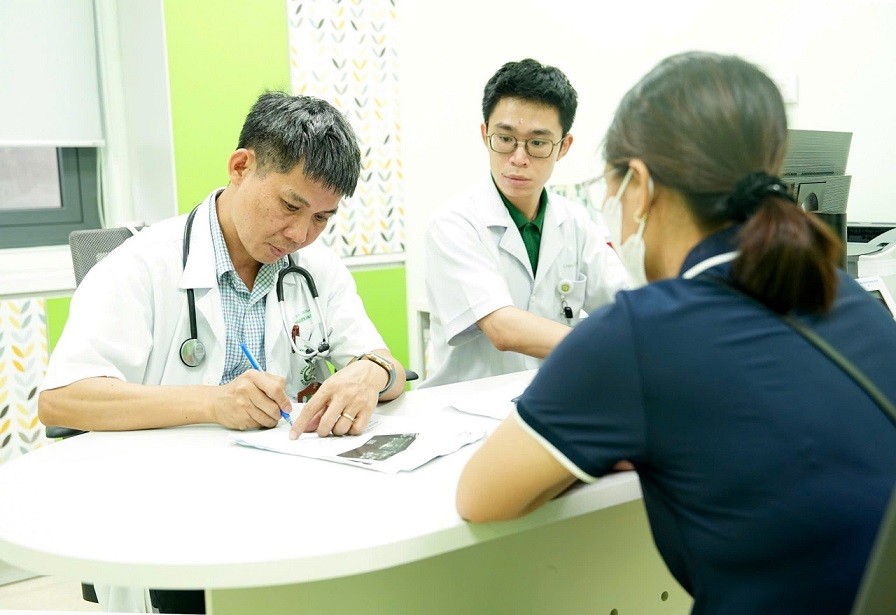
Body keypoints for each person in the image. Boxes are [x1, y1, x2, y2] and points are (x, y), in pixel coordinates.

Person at [456, 51, 896, 614]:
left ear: (638, 184)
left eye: (611, 187)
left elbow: (480, 495)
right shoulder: (847, 295)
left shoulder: (639, 334)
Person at [38, 92, 406, 613]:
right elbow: (62, 401)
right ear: (241, 166)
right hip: (173, 513)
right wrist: (212, 403)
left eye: (322, 218)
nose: (300, 234)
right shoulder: (139, 266)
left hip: (287, 506)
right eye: (290, 205)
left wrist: (369, 373)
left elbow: (387, 364)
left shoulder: (316, 268)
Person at [419, 58, 628, 387]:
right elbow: (503, 329)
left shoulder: (575, 222)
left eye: (538, 143)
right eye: (505, 139)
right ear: (485, 134)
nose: (519, 158)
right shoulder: (454, 224)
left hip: (548, 400)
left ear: (563, 147)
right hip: (464, 414)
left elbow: (624, 301)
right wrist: (610, 346)